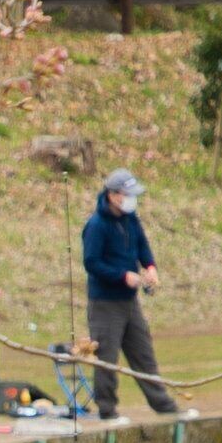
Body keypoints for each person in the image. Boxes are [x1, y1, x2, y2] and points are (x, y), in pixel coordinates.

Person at [77, 170, 181, 420]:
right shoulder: (96, 226)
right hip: (104, 303)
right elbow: (92, 263)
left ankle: (164, 406)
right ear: (113, 195)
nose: (132, 200)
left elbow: (142, 246)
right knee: (107, 360)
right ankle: (107, 410)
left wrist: (151, 268)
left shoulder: (130, 219)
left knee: (144, 355)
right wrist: (123, 276)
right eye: (127, 195)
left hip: (129, 302)